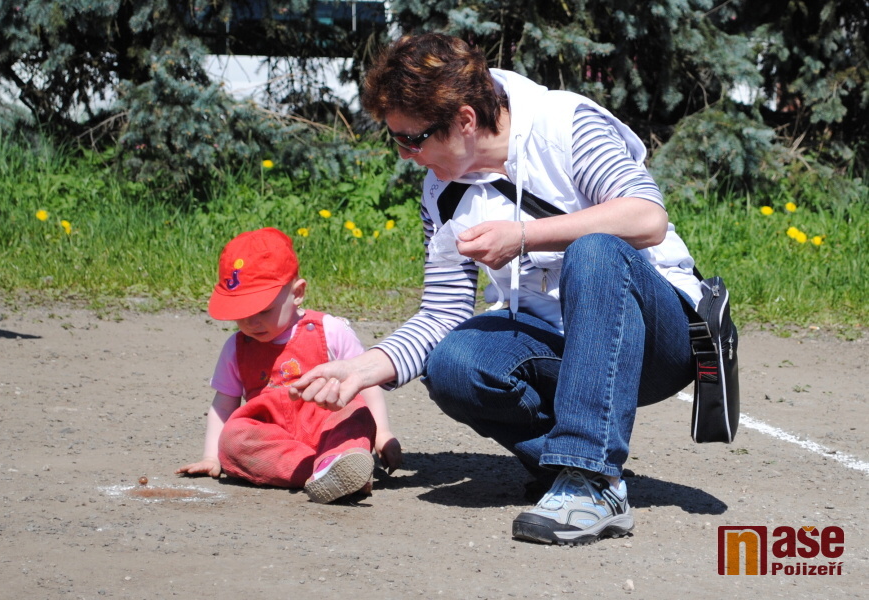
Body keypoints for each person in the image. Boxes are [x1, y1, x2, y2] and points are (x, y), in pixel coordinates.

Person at [289, 33, 701, 544]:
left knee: (594, 251)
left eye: (412, 139)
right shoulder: (441, 191)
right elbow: (441, 315)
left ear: (465, 120)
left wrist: (525, 235)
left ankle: (591, 479)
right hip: (563, 350)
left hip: (659, 340)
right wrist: (363, 368)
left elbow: (646, 217)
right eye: (396, 139)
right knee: (453, 363)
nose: (405, 155)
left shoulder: (566, 124)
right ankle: (574, 468)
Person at [176, 227, 401, 504]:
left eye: (263, 310)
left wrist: (383, 433)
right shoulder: (236, 348)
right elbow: (223, 407)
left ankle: (338, 461)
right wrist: (211, 456)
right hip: (273, 435)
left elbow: (366, 383)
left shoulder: (330, 331)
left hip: (326, 420)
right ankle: (327, 471)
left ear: (298, 293)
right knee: (233, 438)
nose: (251, 322)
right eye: (241, 313)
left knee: (354, 412)